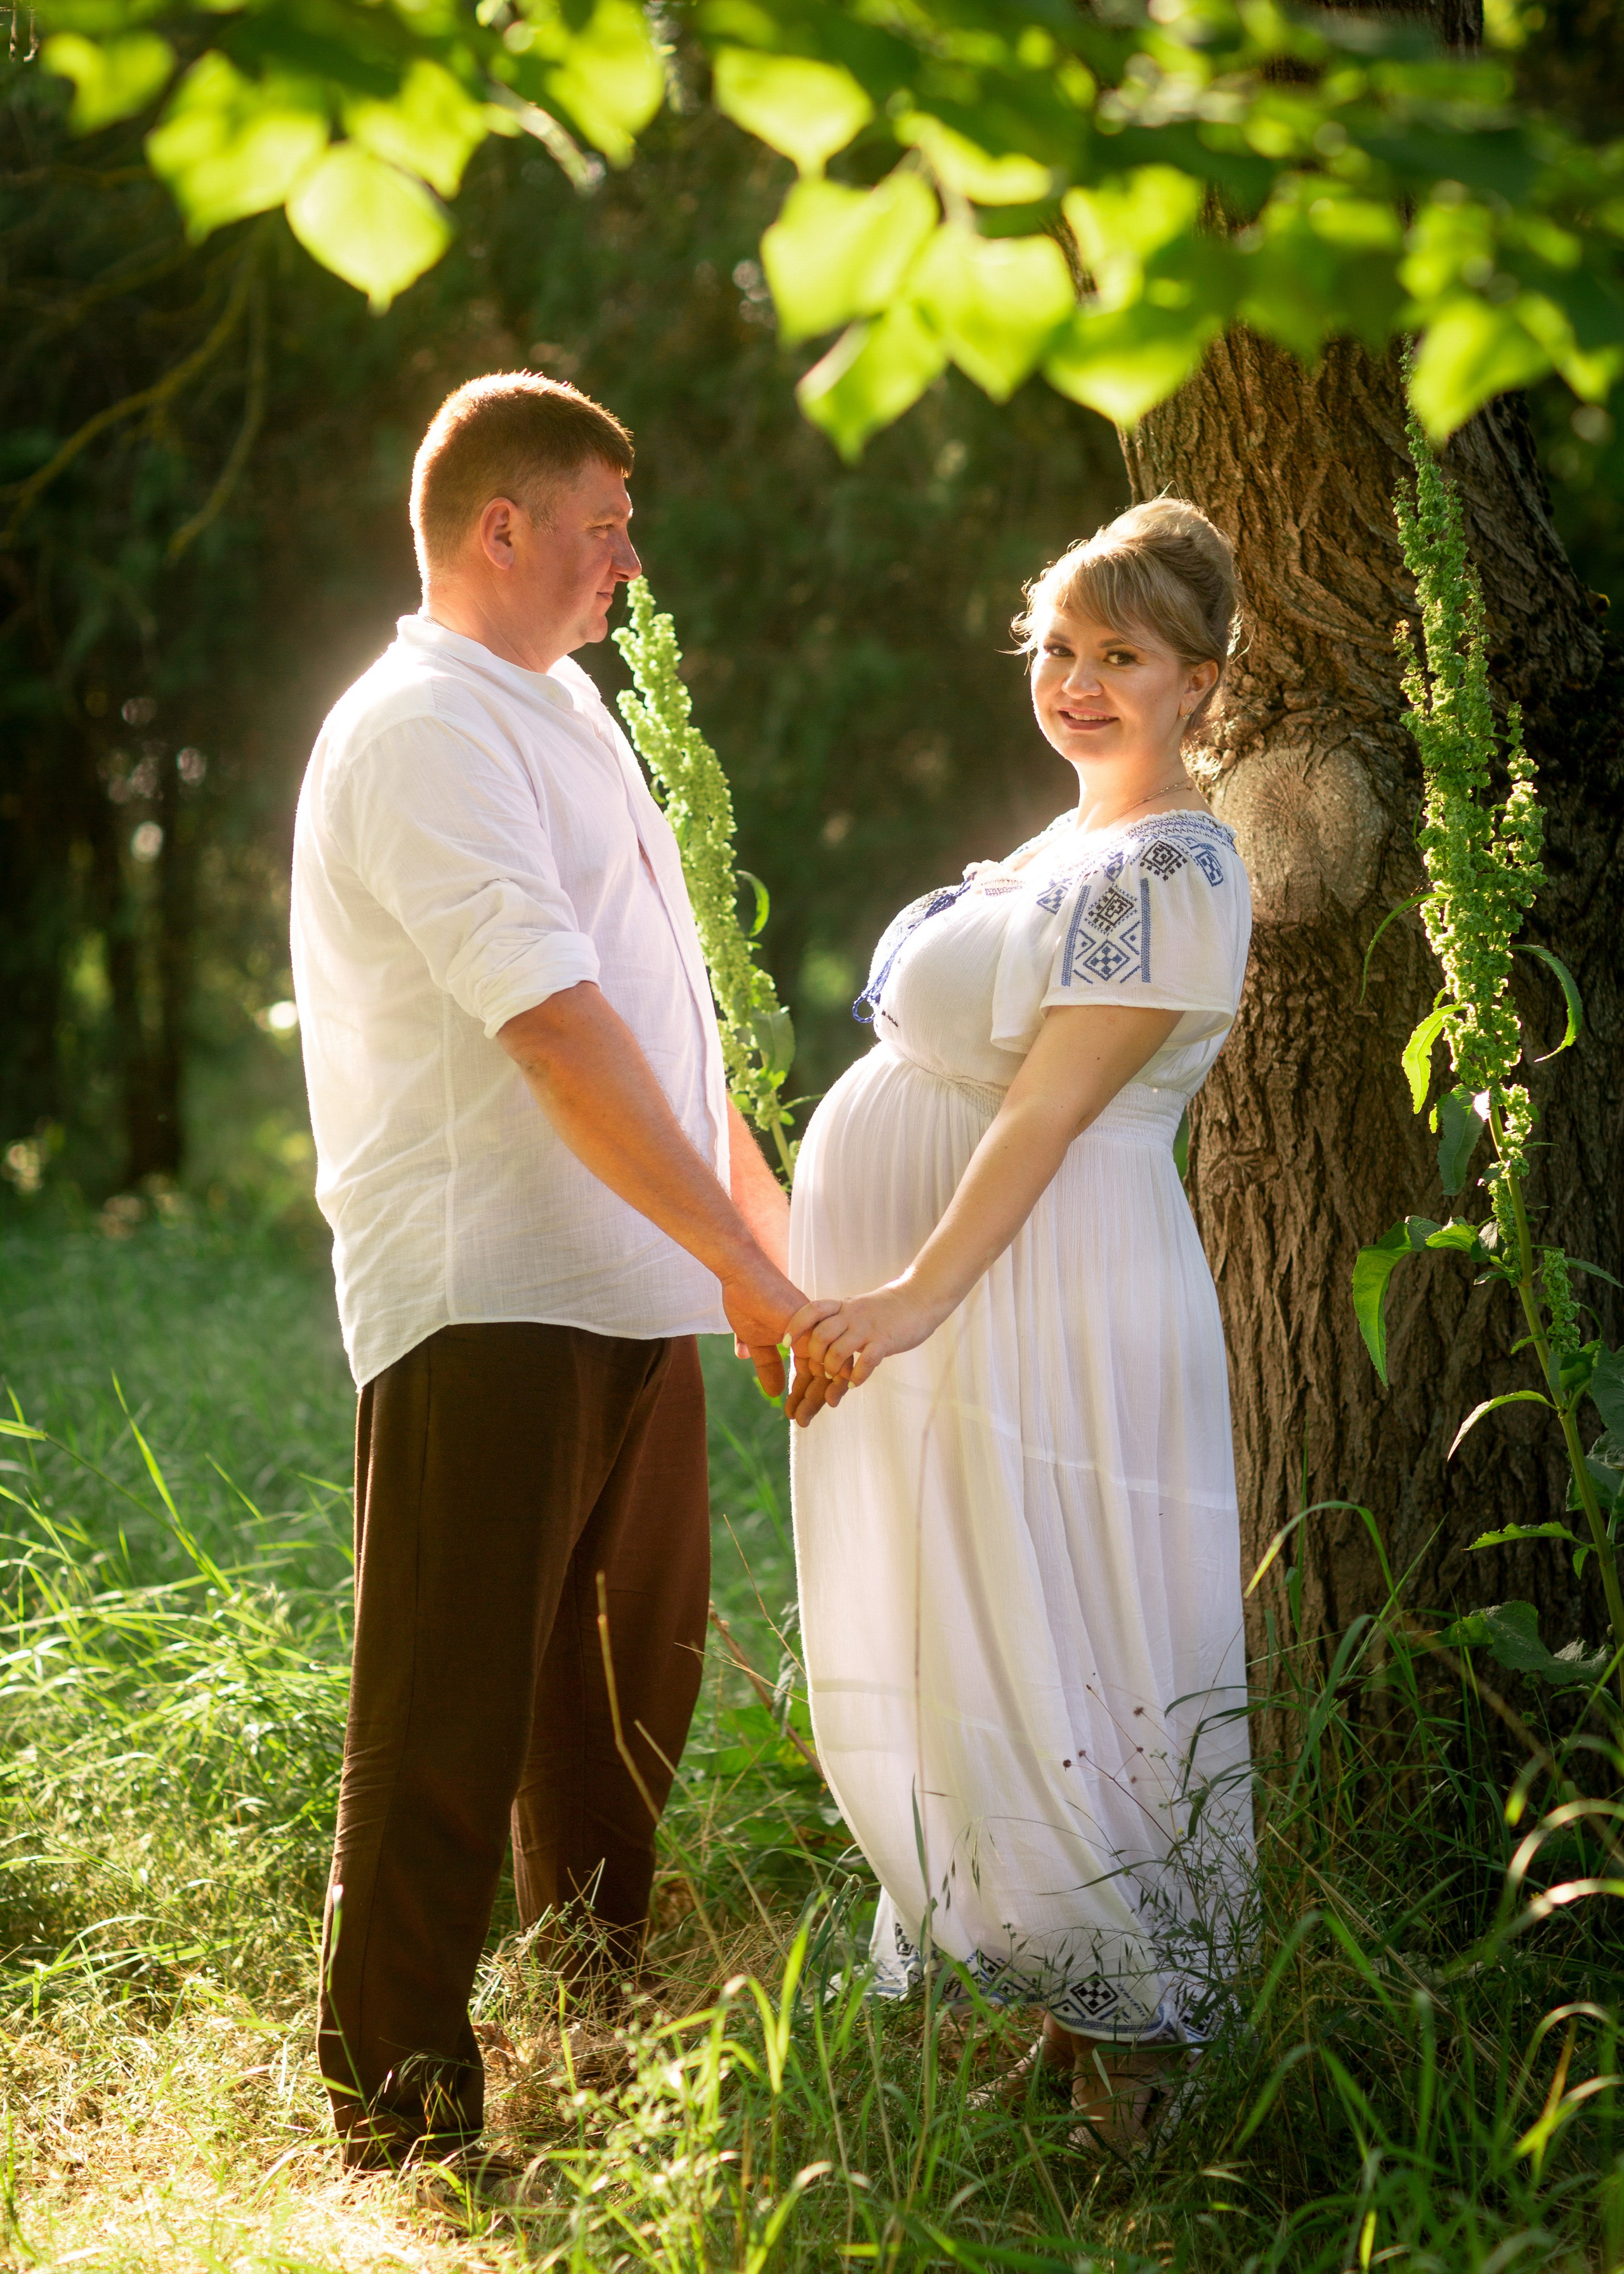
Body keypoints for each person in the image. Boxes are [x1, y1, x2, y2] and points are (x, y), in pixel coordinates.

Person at [290, 372, 818, 2173]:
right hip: (486, 1285)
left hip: (629, 1283)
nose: (626, 558)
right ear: (497, 527)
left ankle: (600, 2025)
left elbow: (665, 1018)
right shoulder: (421, 725)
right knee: (446, 1707)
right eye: (601, 524)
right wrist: (746, 1256)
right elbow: (560, 1033)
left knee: (620, 1701)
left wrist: (774, 1239)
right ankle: (399, 2115)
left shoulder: (566, 704)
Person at [784, 500, 1255, 2152]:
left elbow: (1049, 1114)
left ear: (1200, 680)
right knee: (1008, 1623)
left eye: (1121, 654)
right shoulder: (1061, 851)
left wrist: (911, 1293)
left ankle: (1142, 2060)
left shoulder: (1174, 866)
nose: (1076, 680)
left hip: (1056, 1283)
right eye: (1058, 648)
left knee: (1085, 1636)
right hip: (1000, 1289)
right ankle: (1075, 2016)